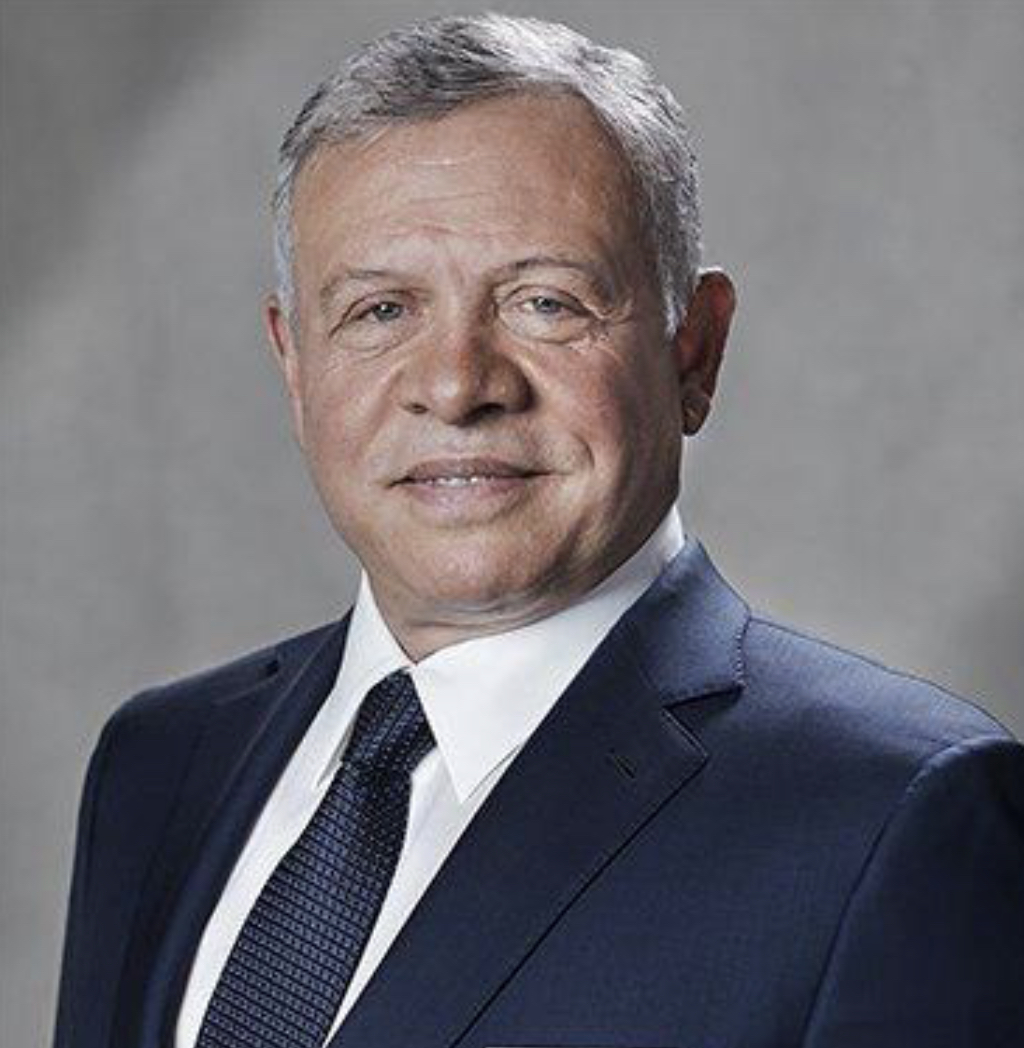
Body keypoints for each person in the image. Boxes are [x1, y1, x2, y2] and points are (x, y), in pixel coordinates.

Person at [53, 13, 1024, 1048]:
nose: (457, 384)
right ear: (295, 364)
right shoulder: (160, 764)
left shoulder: (894, 814)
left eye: (546, 303)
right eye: (381, 311)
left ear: (694, 351)